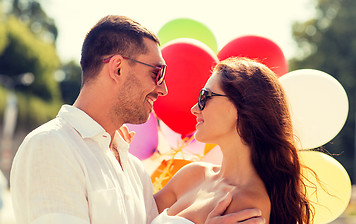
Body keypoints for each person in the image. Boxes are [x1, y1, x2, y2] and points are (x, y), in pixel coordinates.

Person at [10, 15, 264, 224]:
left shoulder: (133, 168)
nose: (163, 89)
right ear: (117, 68)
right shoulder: (51, 146)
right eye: (157, 72)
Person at [154, 57, 314, 224]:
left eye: (204, 96)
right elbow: (129, 215)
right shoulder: (191, 175)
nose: (194, 109)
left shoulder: (249, 205)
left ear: (241, 106)